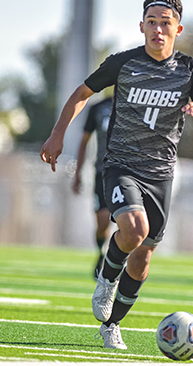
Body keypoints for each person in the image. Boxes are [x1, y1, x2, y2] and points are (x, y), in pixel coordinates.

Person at [40, 0, 193, 349]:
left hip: (162, 172)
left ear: (178, 29)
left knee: (142, 256)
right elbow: (81, 93)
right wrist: (57, 135)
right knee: (134, 229)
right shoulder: (123, 63)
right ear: (142, 26)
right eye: (151, 23)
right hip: (121, 164)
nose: (157, 29)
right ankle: (106, 279)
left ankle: (112, 324)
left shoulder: (190, 70)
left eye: (165, 23)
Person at [72, 96, 113, 280]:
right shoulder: (98, 108)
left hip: (128, 173)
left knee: (127, 221)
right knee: (102, 221)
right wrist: (78, 173)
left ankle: (118, 261)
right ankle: (101, 253)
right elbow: (84, 141)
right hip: (102, 173)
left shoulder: (135, 103)